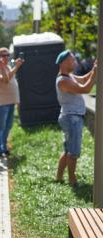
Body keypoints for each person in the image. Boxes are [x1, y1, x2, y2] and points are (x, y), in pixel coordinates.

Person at [55, 50, 96, 187]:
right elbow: (85, 89)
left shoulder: (69, 76)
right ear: (64, 62)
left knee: (68, 151)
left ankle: (59, 178)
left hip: (71, 117)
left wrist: (94, 68)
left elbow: (84, 79)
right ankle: (73, 181)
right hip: (72, 118)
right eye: (73, 60)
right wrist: (95, 74)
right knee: (73, 153)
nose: (76, 62)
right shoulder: (63, 80)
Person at [0, 47, 24, 157]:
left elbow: (10, 77)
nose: (6, 57)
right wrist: (16, 67)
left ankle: (3, 146)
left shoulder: (6, 66)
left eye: (7, 55)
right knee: (1, 126)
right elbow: (6, 80)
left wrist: (14, 67)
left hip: (11, 101)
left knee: (8, 126)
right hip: (2, 102)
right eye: (3, 55)